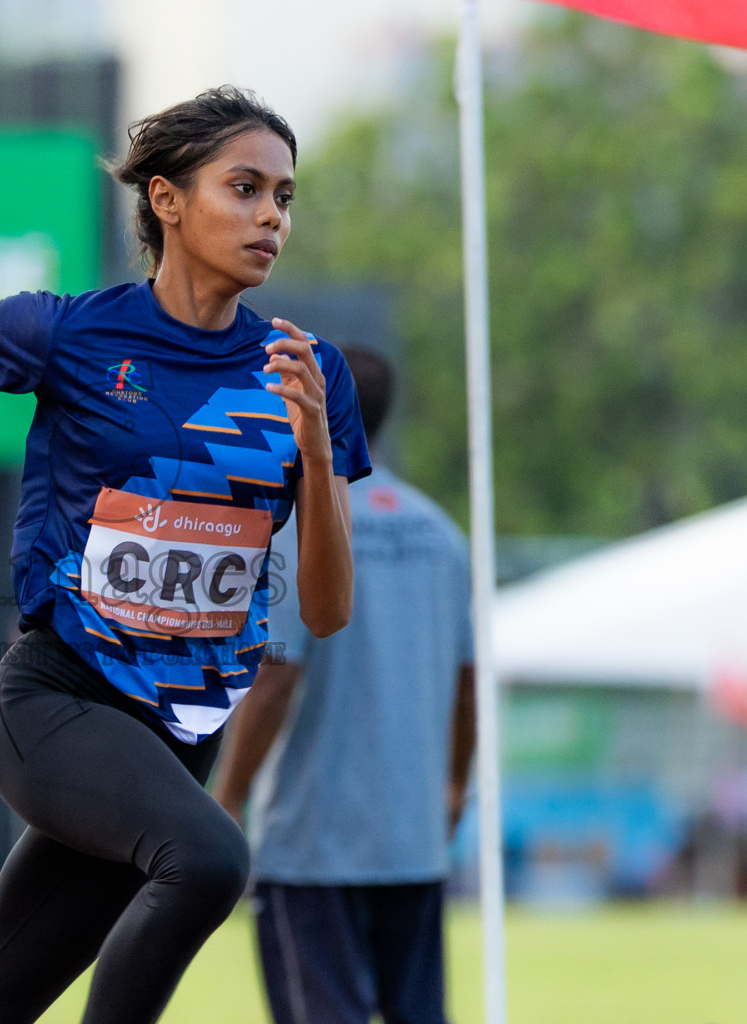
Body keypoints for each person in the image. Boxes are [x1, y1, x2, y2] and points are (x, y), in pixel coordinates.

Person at [0, 86, 371, 1024]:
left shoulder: (308, 373)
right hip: (58, 704)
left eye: (284, 197)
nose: (271, 217)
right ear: (167, 200)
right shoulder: (71, 332)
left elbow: (329, 612)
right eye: (245, 188)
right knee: (210, 860)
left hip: (181, 737)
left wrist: (319, 451)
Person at [212, 347, 477, 1024]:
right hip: (412, 840)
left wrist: (230, 795)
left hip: (313, 841)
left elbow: (277, 678)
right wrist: (453, 784)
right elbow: (467, 679)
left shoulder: (303, 525)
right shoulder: (443, 535)